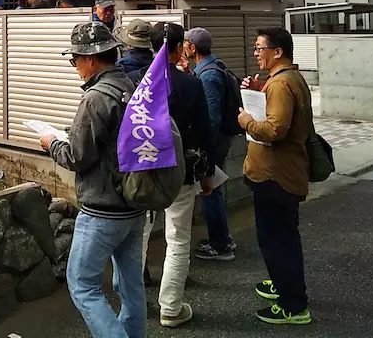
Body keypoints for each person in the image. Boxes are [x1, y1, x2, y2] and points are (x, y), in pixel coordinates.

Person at [40, 23, 145, 338]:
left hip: (103, 208)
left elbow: (77, 157)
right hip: (135, 203)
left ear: (90, 59)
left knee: (83, 285)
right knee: (131, 285)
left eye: (75, 60)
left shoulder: (96, 98)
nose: (76, 66)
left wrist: (52, 143)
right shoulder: (133, 87)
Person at [138, 22, 217, 328]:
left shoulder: (138, 81)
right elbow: (205, 132)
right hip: (180, 169)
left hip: (144, 167)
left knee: (139, 234)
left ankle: (132, 301)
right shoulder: (191, 84)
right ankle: (171, 308)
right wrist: (208, 172)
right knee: (178, 238)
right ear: (179, 48)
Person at [238, 27, 312, 326]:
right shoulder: (287, 79)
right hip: (281, 172)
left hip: (275, 176)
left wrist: (246, 121)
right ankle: (282, 282)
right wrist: (259, 92)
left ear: (277, 51)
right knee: (282, 237)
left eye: (260, 48)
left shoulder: (281, 84)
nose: (256, 53)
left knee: (278, 240)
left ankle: (293, 305)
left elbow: (275, 129)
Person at [185, 27, 237, 262]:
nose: (183, 47)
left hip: (214, 143)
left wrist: (205, 150)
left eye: (186, 43)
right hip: (220, 140)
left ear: (192, 47)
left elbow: (212, 118)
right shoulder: (213, 66)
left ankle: (220, 244)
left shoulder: (208, 76)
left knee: (210, 190)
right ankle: (223, 238)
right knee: (213, 190)